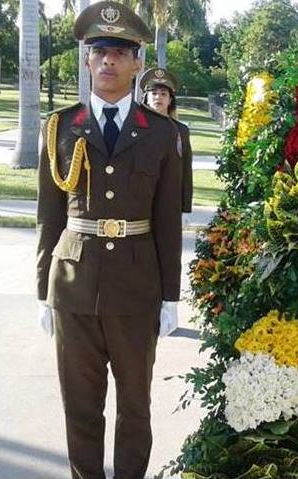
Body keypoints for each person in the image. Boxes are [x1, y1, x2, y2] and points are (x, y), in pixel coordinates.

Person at [35, 2, 183, 478]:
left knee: (135, 411)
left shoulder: (160, 133)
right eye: (99, 52)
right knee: (80, 410)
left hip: (137, 291)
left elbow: (167, 222)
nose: (109, 61)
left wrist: (170, 296)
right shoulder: (61, 127)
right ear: (86, 60)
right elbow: (48, 214)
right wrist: (43, 290)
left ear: (137, 62)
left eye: (120, 52)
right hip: (73, 286)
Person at [140, 67, 193, 212]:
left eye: (163, 94)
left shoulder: (181, 131)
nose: (158, 98)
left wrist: (185, 204)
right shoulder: (134, 128)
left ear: (170, 100)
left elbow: (185, 169)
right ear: (146, 98)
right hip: (139, 198)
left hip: (168, 199)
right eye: (154, 94)